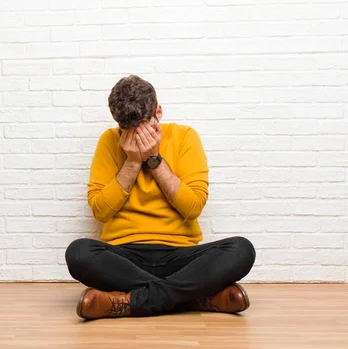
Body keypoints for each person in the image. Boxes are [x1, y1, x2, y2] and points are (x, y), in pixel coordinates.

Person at [65, 75, 256, 320]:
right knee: (78, 253)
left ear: (159, 111)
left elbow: (193, 207)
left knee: (241, 249)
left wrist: (154, 160)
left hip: (181, 256)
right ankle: (196, 297)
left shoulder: (185, 136)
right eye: (128, 132)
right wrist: (133, 162)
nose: (137, 138)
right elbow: (101, 211)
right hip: (125, 256)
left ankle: (128, 302)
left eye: (144, 128)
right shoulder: (108, 141)